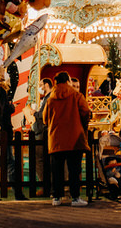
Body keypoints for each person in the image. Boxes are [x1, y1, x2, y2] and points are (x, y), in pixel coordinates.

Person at [43, 71, 91, 207]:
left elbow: (45, 118)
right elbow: (85, 112)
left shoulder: (50, 98)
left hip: (56, 139)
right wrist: (82, 125)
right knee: (74, 170)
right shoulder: (76, 95)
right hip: (74, 138)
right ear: (68, 81)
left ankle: (57, 197)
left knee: (56, 170)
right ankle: (75, 197)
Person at [0, 64, 26, 200]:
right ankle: (17, 192)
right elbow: (2, 110)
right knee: (10, 162)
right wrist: (11, 107)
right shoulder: (0, 90)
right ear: (0, 74)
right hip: (3, 130)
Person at [31, 77, 54, 190]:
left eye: (41, 84)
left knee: (39, 159)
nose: (39, 87)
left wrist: (34, 113)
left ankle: (44, 184)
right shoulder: (46, 98)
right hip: (42, 131)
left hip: (43, 131)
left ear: (46, 85)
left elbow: (44, 115)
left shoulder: (49, 98)